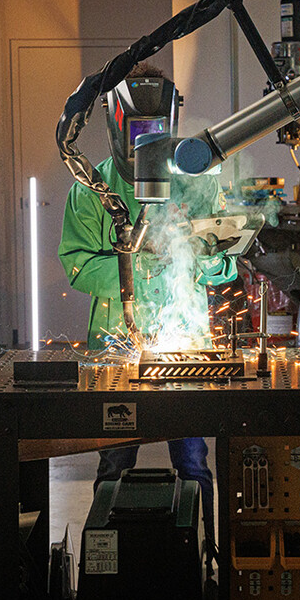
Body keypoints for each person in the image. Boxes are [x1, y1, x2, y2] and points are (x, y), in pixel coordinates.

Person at [58, 62, 236, 560]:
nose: (147, 143)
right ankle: (105, 564)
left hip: (188, 348)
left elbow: (224, 266)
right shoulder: (90, 188)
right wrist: (139, 272)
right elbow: (75, 263)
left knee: (195, 464)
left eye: (156, 132)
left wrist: (211, 258)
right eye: (139, 131)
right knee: (114, 463)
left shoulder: (197, 182)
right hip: (121, 349)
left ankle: (206, 562)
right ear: (116, 123)